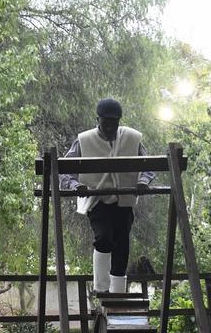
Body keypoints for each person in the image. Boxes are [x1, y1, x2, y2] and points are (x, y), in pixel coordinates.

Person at [62, 98, 154, 295]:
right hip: (97, 200)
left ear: (119, 121)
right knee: (103, 237)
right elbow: (65, 170)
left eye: (115, 122)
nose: (111, 126)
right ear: (98, 119)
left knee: (122, 244)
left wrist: (143, 182)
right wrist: (75, 185)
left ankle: (118, 293)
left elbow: (149, 165)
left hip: (124, 200)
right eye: (106, 122)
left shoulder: (132, 138)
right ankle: (102, 289)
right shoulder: (84, 140)